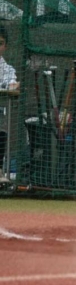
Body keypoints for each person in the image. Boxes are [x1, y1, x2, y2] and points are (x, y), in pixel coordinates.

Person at [0, 26, 17, 184]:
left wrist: (13, 86)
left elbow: (12, 84)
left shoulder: (7, 69)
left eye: (0, 43)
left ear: (5, 46)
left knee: (1, 132)